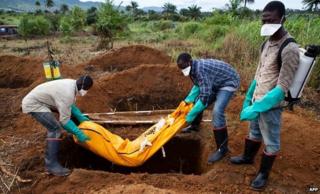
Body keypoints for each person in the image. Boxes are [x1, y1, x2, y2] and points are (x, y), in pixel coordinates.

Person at [230, 1, 300, 190]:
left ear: (283, 19)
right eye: (264, 20)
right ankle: (247, 157)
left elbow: (282, 86)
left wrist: (258, 107)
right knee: (254, 131)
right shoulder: (266, 43)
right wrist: (249, 98)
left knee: (271, 140)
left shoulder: (289, 48)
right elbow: (259, 73)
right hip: (257, 98)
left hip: (270, 105)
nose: (267, 23)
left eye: (272, 20)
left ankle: (263, 174)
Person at [22, 75, 93, 176]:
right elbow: (64, 121)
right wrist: (78, 133)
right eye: (86, 89)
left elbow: (69, 104)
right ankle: (51, 166)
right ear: (82, 87)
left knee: (55, 128)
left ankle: (51, 164)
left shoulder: (72, 84)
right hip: (34, 104)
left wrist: (79, 115)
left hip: (41, 99)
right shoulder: (68, 93)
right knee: (55, 129)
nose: (86, 92)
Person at [177, 53, 240, 163]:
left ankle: (222, 149)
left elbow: (205, 97)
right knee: (196, 102)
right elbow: (198, 86)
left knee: (217, 111)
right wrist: (187, 100)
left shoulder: (201, 70)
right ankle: (195, 126)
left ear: (190, 61)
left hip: (228, 82)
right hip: (215, 82)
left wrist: (191, 114)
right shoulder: (192, 69)